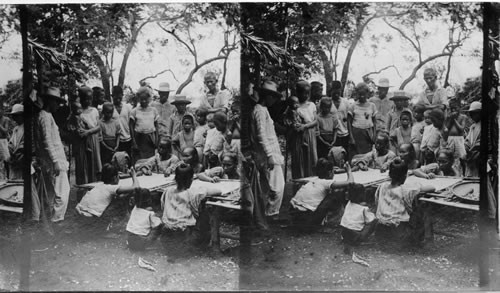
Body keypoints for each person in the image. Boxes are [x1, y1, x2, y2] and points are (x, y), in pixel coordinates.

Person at [374, 158, 435, 246]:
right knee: (424, 206)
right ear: (405, 176)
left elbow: (376, 203)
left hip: (380, 231)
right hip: (398, 234)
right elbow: (432, 188)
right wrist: (418, 185)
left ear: (390, 174)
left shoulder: (382, 186)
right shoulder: (407, 189)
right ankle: (427, 241)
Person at [249, 80, 285, 219]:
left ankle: (269, 213)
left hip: (271, 152)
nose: (274, 100)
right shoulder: (259, 110)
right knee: (277, 187)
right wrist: (269, 155)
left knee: (271, 185)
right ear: (267, 96)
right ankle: (271, 213)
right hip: (266, 154)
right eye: (273, 97)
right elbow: (261, 135)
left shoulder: (263, 110)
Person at [290, 159, 356, 231]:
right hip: (307, 221)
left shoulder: (313, 180)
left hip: (294, 217)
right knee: (335, 194)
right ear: (330, 172)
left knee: (324, 196)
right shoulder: (326, 183)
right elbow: (351, 182)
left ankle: (327, 220)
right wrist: (349, 170)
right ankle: (336, 221)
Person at [36, 87, 70, 222]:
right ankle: (56, 220)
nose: (58, 106)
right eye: (56, 102)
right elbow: (47, 141)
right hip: (54, 161)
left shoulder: (48, 116)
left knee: (58, 192)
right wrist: (55, 161)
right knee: (62, 192)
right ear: (50, 101)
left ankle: (55, 219)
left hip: (57, 159)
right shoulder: (44, 116)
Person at [7, 104, 40, 221]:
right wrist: (10, 150)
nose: (15, 118)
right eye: (14, 116)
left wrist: (17, 152)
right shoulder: (16, 129)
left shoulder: (28, 128)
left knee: (30, 188)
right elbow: (11, 143)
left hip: (24, 161)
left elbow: (26, 145)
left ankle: (35, 215)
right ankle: (20, 213)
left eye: (17, 116)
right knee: (16, 187)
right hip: (16, 162)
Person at [160, 164, 207, 231]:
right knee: (204, 215)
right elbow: (217, 191)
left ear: (175, 178)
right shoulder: (192, 193)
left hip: (166, 227)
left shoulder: (168, 191)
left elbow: (163, 207)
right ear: (191, 179)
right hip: (184, 229)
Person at [291, 80, 318, 178]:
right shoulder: (295, 106)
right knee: (300, 159)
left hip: (310, 134)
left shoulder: (312, 105)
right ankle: (300, 181)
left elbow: (315, 121)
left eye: (308, 93)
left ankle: (311, 181)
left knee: (311, 159)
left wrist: (305, 126)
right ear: (298, 93)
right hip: (299, 136)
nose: (306, 95)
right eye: (303, 93)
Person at [340, 183, 377, 253]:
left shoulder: (349, 203)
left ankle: (347, 241)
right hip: (355, 235)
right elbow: (371, 219)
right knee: (374, 221)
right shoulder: (364, 208)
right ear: (362, 195)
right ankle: (360, 240)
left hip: (344, 233)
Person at [80, 86, 103, 182]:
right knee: (84, 164)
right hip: (83, 141)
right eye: (85, 99)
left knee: (95, 163)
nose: (88, 101)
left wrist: (88, 132)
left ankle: (95, 183)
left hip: (93, 139)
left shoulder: (94, 111)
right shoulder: (78, 111)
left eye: (90, 99)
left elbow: (98, 126)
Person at [130, 87, 159, 161]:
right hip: (139, 139)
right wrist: (134, 142)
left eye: (145, 99)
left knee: (150, 160)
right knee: (139, 160)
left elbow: (156, 126)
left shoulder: (154, 110)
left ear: (149, 98)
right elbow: (131, 126)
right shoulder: (134, 111)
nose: (144, 101)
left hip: (150, 139)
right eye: (141, 99)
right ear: (138, 99)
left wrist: (156, 140)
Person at [348, 83, 377, 155]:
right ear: (357, 94)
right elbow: (349, 122)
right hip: (357, 133)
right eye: (360, 94)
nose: (362, 96)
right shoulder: (353, 106)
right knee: (356, 154)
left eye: (364, 94)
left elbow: (374, 122)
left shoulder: (372, 105)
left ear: (367, 94)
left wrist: (374, 135)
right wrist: (351, 137)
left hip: (368, 133)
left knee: (368, 154)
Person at [445, 98, 467, 175]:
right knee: (450, 156)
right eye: (452, 109)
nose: (453, 110)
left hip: (459, 139)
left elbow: (461, 129)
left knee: (462, 157)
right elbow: (447, 128)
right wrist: (451, 119)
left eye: (455, 108)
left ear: (460, 107)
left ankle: (464, 173)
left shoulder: (463, 117)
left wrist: (454, 120)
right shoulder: (449, 117)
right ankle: (452, 172)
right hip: (450, 139)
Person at [330, 81, 352, 158]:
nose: (336, 93)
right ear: (331, 90)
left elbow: (349, 120)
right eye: (334, 90)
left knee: (345, 156)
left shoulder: (346, 102)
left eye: (338, 90)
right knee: (334, 156)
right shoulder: (327, 103)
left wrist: (350, 135)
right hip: (333, 136)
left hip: (345, 134)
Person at [111, 86, 133, 158]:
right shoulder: (109, 108)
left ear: (122, 96)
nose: (117, 99)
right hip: (115, 140)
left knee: (127, 160)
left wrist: (133, 139)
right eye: (115, 97)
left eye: (119, 97)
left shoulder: (128, 107)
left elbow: (131, 123)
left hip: (127, 139)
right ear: (112, 96)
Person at [464, 101, 481, 177]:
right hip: (471, 157)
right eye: (471, 113)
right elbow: (468, 140)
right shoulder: (472, 126)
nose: (472, 116)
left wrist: (477, 146)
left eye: (475, 113)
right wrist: (466, 146)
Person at [0, 104, 11, 180]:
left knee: (7, 159)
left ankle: (8, 176)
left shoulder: (5, 119)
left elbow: (5, 131)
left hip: (3, 141)